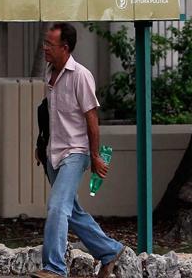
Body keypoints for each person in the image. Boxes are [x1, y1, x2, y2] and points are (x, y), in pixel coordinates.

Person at [31, 22, 125, 278]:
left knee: (57, 207)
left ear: (65, 47)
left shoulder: (81, 76)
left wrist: (94, 156)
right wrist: (42, 145)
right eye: (45, 43)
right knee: (72, 212)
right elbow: (51, 114)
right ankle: (109, 251)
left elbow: (91, 119)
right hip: (53, 152)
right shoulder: (49, 73)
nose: (45, 48)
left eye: (50, 44)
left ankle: (54, 268)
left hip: (75, 152)